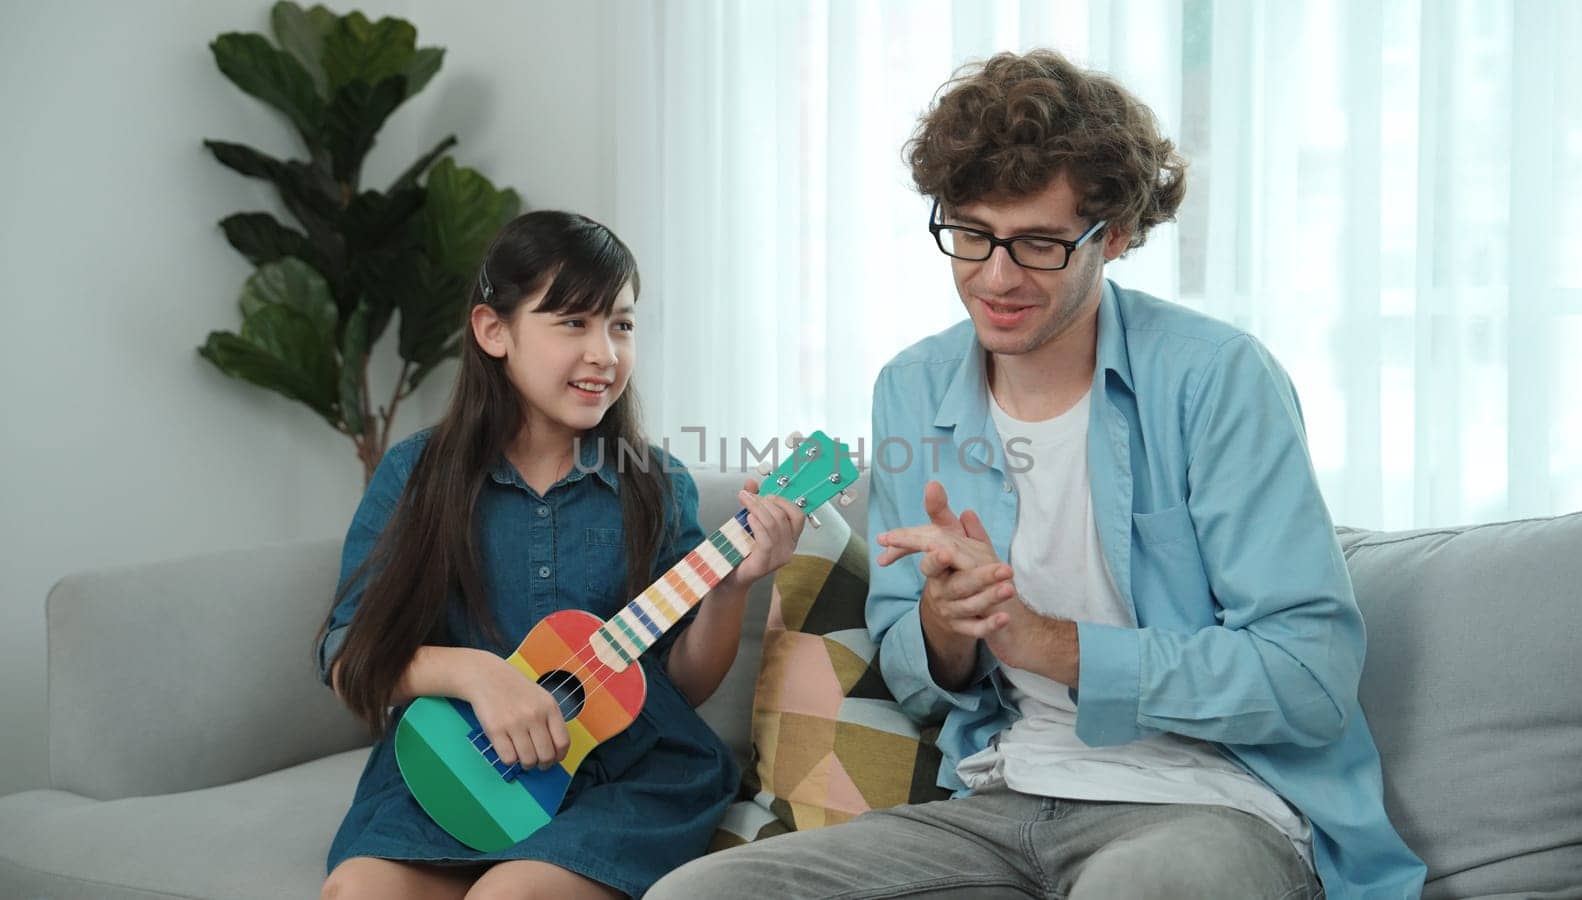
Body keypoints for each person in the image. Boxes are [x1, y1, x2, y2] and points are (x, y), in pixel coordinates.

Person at [648, 50, 1424, 899]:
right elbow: (916, 678)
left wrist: (1046, 640)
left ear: (1115, 234)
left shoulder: (1217, 380)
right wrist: (950, 626)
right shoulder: (913, 388)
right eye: (972, 233)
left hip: (1212, 805)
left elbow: (1307, 679)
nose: (996, 276)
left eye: (1040, 244)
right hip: (1001, 797)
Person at [316, 210, 806, 900]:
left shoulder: (656, 484)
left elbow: (679, 686)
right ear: (494, 331)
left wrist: (732, 589)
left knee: (509, 897)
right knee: (360, 892)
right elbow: (347, 658)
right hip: (465, 766)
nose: (605, 353)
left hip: (624, 774)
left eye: (622, 324)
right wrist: (476, 675)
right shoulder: (414, 475)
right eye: (573, 322)